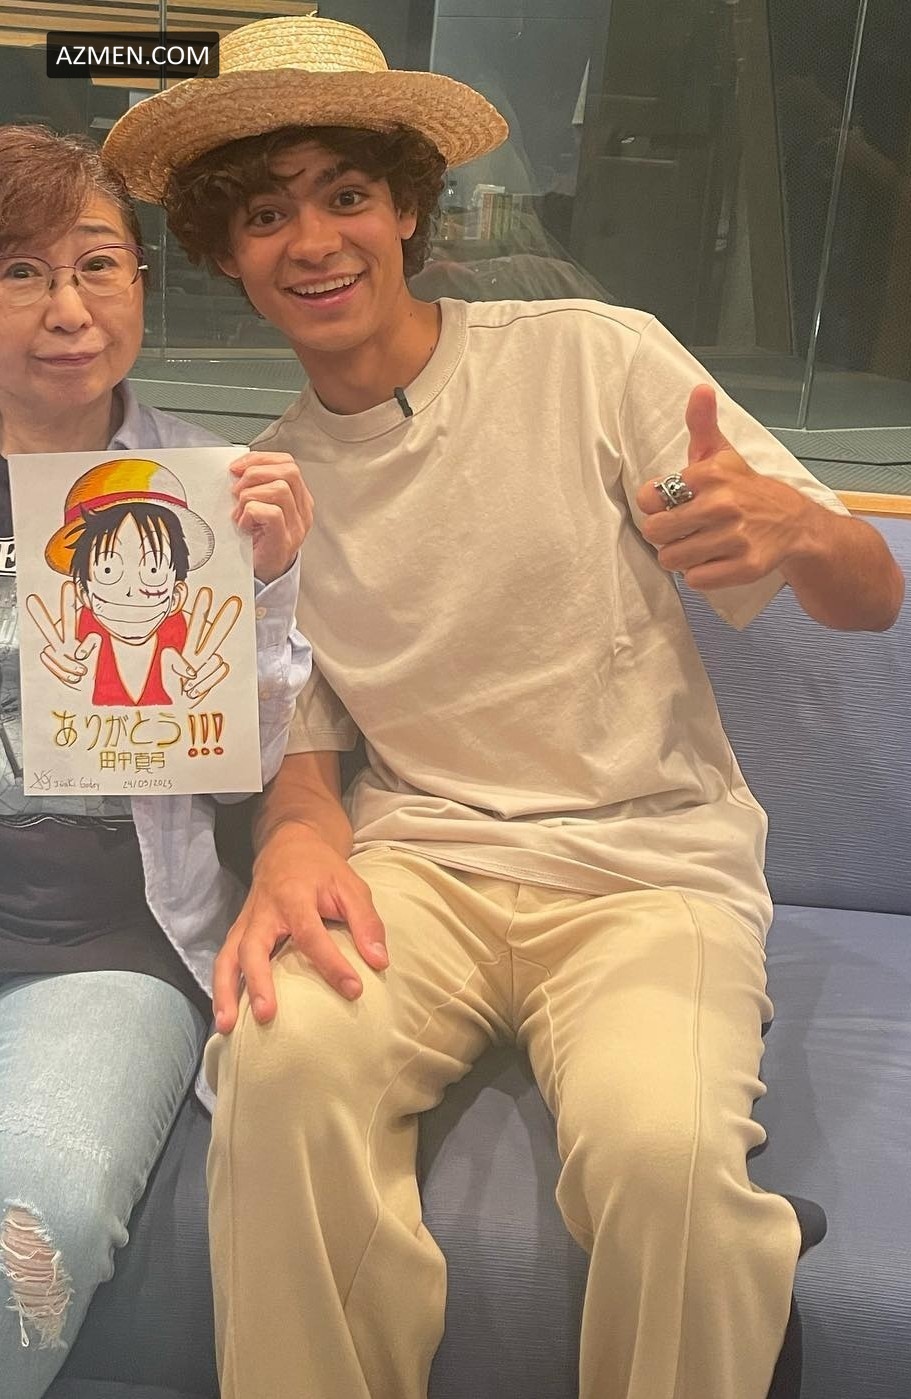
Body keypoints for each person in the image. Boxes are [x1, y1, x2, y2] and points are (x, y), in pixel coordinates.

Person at [105, 17, 905, 1399]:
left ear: (408, 208)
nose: (313, 240)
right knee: (276, 1075)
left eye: (347, 194)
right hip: (421, 864)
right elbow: (309, 735)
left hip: (649, 864)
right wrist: (294, 839)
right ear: (223, 252)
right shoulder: (263, 486)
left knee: (662, 1158)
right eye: (265, 213)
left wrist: (796, 526)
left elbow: (869, 594)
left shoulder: (593, 358)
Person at [0, 123, 311, 1397]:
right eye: (19, 271)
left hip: (104, 944)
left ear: (138, 281)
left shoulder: (207, 491)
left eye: (97, 264)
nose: (67, 309)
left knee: (29, 1229)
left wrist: (270, 590)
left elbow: (251, 764)